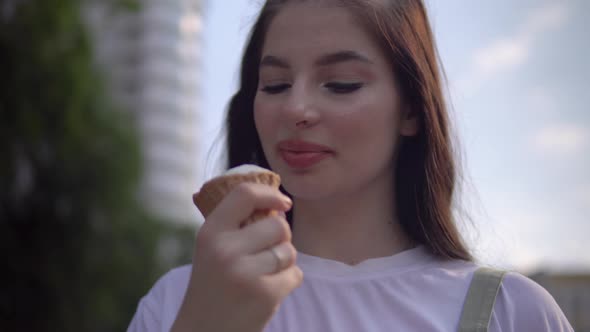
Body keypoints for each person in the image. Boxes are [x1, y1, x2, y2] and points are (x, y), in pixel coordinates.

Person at [128, 1, 573, 331]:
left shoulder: (510, 311)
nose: (297, 108)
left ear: (412, 109)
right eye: (275, 84)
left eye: (341, 84)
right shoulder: (178, 301)